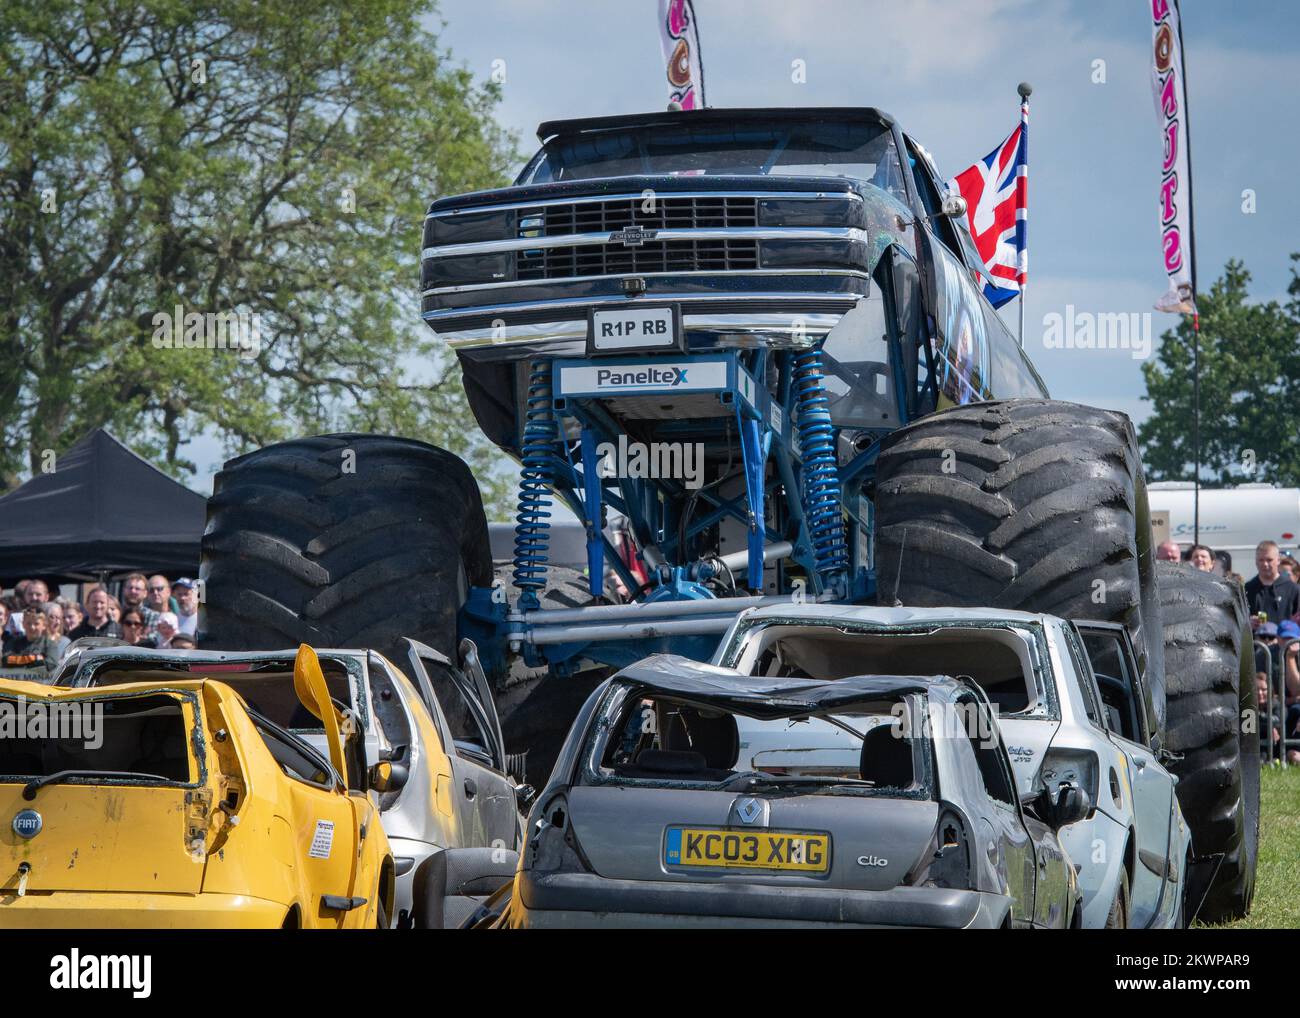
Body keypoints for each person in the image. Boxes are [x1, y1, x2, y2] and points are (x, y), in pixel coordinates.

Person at [1245, 540, 1300, 627]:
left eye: (1269, 560)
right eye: (1261, 560)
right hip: (1257, 640)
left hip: (1285, 640)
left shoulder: (1293, 589)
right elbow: (1237, 623)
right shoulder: (1247, 589)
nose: (1265, 564)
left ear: (1278, 560)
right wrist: (1247, 622)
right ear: (1256, 561)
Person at [2, 606, 57, 678]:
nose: (32, 627)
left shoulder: (49, 644)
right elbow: (6, 660)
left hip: (40, 684)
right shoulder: (14, 642)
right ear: (23, 624)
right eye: (28, 623)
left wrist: (19, 661)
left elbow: (51, 664)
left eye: (36, 624)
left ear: (44, 625)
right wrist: (35, 659)